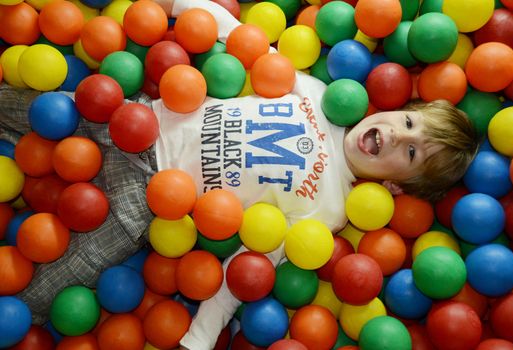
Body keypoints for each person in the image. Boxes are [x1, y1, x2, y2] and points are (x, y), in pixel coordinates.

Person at [0, 0, 479, 348]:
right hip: (135, 121)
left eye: (412, 153)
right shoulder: (317, 94)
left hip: (148, 200)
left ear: (397, 186)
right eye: (409, 124)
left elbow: (251, 262)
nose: (398, 138)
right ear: (397, 110)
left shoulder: (330, 208)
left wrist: (200, 338)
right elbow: (239, 37)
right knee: (40, 110)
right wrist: (179, 6)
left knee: (69, 268)